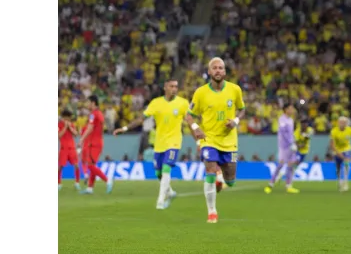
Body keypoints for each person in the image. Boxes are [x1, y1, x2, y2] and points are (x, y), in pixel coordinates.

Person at [185, 57, 246, 223]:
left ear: (225, 71)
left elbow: (242, 110)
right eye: (215, 68)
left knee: (230, 181)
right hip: (209, 139)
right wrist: (196, 128)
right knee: (210, 170)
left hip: (229, 141)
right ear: (209, 72)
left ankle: (221, 179)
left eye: (221, 68)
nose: (218, 70)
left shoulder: (235, 90)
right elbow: (188, 115)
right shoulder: (201, 92)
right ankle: (212, 212)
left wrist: (236, 121)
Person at [113, 79, 190, 209]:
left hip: (174, 142)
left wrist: (198, 133)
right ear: (165, 87)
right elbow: (141, 119)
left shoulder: (183, 103)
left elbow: (189, 119)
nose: (174, 89)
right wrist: (125, 128)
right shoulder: (156, 103)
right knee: (158, 173)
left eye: (176, 87)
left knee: (166, 168)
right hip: (159, 143)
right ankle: (170, 192)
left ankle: (160, 201)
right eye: (171, 86)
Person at [79, 96, 114, 194]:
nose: (87, 105)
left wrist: (82, 139)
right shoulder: (99, 113)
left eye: (88, 102)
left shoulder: (93, 114)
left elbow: (90, 128)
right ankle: (90, 188)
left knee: (90, 166)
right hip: (97, 142)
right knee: (92, 165)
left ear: (93, 103)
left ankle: (108, 181)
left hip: (94, 143)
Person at [264, 103, 300, 194]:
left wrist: (294, 142)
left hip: (291, 145)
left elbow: (290, 133)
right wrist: (290, 143)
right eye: (290, 108)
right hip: (284, 147)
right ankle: (270, 184)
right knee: (280, 165)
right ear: (286, 109)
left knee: (291, 165)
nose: (292, 110)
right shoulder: (282, 119)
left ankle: (288, 185)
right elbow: (284, 133)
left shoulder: (291, 120)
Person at [273, 117, 314, 185]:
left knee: (294, 166)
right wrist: (300, 144)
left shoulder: (309, 130)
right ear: (301, 124)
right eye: (303, 124)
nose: (305, 125)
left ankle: (282, 175)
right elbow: (297, 143)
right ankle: (282, 177)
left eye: (306, 123)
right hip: (297, 150)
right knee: (293, 163)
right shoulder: (297, 132)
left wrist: (306, 136)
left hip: (305, 151)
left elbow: (310, 134)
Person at [329, 116, 351, 192]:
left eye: (344, 123)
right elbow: (332, 145)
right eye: (341, 122)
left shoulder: (350, 130)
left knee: (346, 162)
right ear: (338, 123)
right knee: (338, 168)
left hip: (347, 149)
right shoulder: (334, 131)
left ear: (347, 123)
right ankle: (339, 181)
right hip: (337, 150)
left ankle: (345, 182)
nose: (342, 124)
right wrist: (339, 154)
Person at [58, 110, 81, 191]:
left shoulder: (71, 125)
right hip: (63, 148)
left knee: (76, 165)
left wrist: (69, 127)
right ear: (64, 117)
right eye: (67, 118)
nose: (68, 120)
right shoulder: (59, 125)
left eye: (69, 118)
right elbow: (59, 136)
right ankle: (58, 183)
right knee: (60, 167)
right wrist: (65, 127)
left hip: (72, 148)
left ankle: (77, 183)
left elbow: (75, 134)